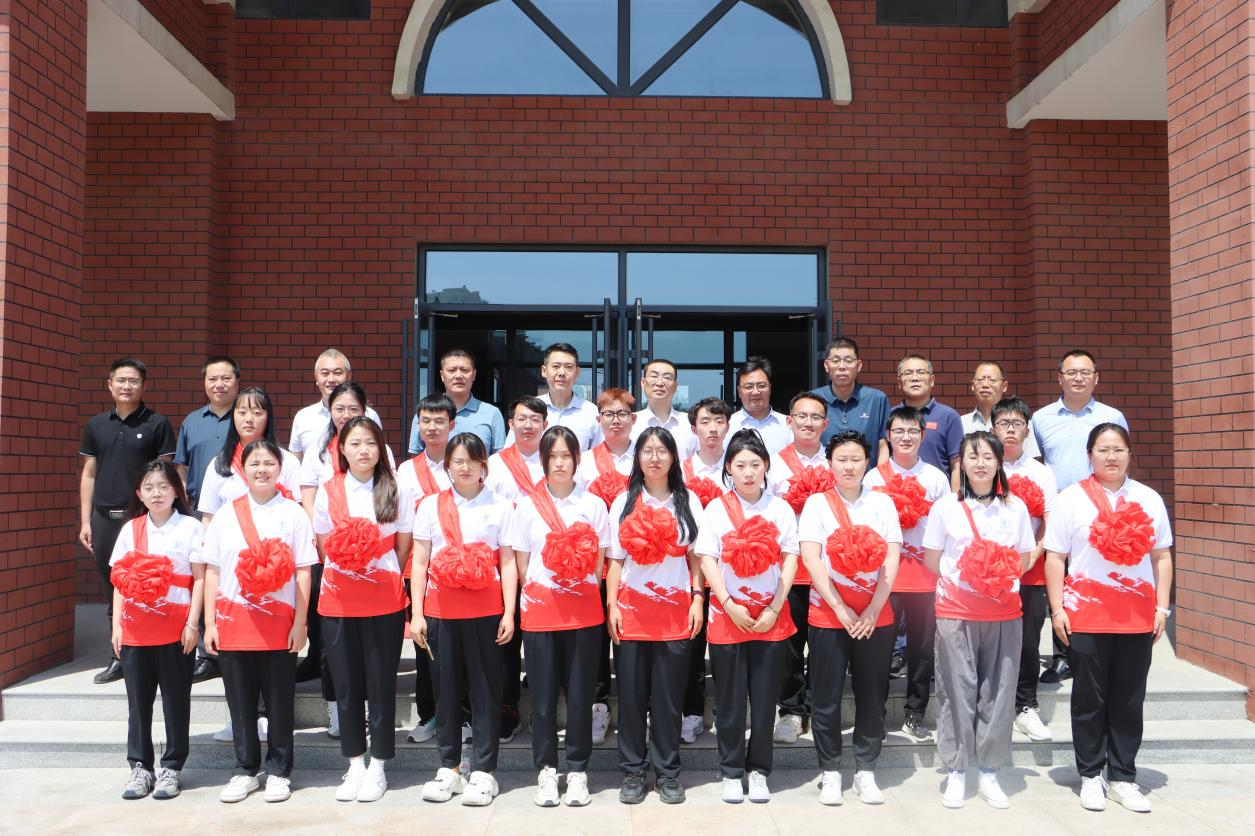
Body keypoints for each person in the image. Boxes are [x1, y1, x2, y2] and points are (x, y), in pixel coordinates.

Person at [1044, 423, 1173, 814]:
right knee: (1089, 698)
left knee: (1128, 699)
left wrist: (1162, 607)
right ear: (1089, 455)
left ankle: (1122, 777)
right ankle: (1090, 775)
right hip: (1086, 615)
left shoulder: (1148, 498)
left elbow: (1161, 556)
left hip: (1136, 616)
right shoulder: (1070, 499)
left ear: (1130, 454)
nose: (1111, 457)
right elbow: (1055, 557)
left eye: (1118, 449)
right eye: (1103, 449)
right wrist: (1057, 609)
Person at [200, 439, 318, 804]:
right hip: (234, 619)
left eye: (269, 463)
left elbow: (303, 571)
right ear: (243, 470)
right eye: (255, 463)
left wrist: (300, 623)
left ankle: (279, 771)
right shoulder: (225, 515)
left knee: (280, 701)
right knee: (240, 702)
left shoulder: (294, 513)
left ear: (280, 469)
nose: (262, 469)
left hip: (280, 622)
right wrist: (210, 623)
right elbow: (213, 571)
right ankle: (245, 769)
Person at [922, 432, 1034, 810]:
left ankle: (988, 771)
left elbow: (1023, 558)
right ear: (962, 464)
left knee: (999, 692)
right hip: (956, 611)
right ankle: (956, 770)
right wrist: (967, 580)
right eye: (972, 457)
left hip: (1004, 612)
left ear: (1000, 462)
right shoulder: (945, 507)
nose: (980, 463)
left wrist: (995, 581)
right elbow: (933, 560)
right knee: (957, 690)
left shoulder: (1014, 508)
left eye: (988, 456)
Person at [506, 426, 610, 807]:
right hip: (540, 615)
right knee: (543, 698)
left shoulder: (594, 505)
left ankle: (578, 771)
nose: (560, 463)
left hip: (583, 614)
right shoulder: (527, 506)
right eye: (553, 457)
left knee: (581, 697)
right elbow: (522, 562)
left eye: (567, 456)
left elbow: (599, 562)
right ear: (544, 461)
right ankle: (547, 771)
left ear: (577, 460)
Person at [411, 434, 517, 807]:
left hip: (486, 612)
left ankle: (484, 771)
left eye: (472, 460)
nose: (465, 467)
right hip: (441, 612)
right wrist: (417, 613)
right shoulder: (430, 506)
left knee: (486, 692)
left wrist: (508, 611)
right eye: (458, 460)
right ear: (448, 466)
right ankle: (450, 768)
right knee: (445, 691)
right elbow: (420, 561)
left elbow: (507, 561)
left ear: (484, 466)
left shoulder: (501, 506)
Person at [693, 430, 798, 804]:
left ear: (766, 466)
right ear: (728, 469)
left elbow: (790, 558)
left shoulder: (780, 508)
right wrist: (727, 602)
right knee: (731, 700)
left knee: (765, 699)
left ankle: (760, 770)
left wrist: (774, 607)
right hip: (728, 616)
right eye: (740, 465)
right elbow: (707, 558)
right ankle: (731, 771)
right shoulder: (716, 509)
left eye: (755, 464)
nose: (749, 472)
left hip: (771, 616)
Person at [799, 430, 902, 806]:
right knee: (825, 696)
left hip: (875, 616)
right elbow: (811, 558)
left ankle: (866, 771)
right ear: (829, 463)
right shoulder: (816, 504)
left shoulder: (882, 503)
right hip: (829, 615)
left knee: (872, 695)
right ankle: (830, 771)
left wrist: (873, 608)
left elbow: (892, 556)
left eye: (856, 459)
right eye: (841, 459)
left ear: (867, 463)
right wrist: (841, 609)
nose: (848, 466)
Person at [311, 418, 411, 803]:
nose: (363, 450)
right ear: (342, 449)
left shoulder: (395, 488)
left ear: (381, 447)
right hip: (338, 599)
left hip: (383, 598)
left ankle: (379, 765)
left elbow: (403, 545)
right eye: (355, 443)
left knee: (380, 682)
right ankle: (354, 764)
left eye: (371, 442)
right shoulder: (328, 491)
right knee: (347, 683)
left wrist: (376, 568)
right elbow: (325, 546)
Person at [607, 427, 704, 805]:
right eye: (646, 450)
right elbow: (615, 561)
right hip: (631, 613)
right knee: (631, 697)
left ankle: (667, 772)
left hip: (675, 613)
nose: (654, 457)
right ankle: (633, 770)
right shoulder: (624, 501)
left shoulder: (687, 500)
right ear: (637, 458)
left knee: (668, 698)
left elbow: (696, 557)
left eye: (662, 450)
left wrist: (697, 598)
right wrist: (612, 605)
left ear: (673, 457)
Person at [1031, 349, 1128, 685]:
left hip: (1099, 513)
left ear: (1095, 378)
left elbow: (1121, 463)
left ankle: (1101, 645)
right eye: (1071, 372)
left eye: (1085, 372)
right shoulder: (1041, 418)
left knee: (1094, 577)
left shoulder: (1112, 417)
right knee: (1059, 579)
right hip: (1058, 512)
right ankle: (1063, 656)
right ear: (1060, 378)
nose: (1078, 378)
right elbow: (1035, 466)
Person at [109, 460, 203, 800]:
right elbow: (120, 580)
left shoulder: (191, 528)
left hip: (176, 630)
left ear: (176, 491)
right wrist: (117, 626)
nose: (157, 493)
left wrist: (193, 623)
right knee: (138, 704)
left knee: (176, 702)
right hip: (136, 630)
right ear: (139, 494)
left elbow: (200, 579)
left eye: (164, 486)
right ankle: (140, 767)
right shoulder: (131, 529)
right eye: (149, 487)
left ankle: (172, 767)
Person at [80, 358, 176, 684]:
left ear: (144, 386)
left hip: (140, 519)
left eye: (133, 381)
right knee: (115, 588)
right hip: (104, 520)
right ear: (109, 384)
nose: (126, 386)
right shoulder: (96, 425)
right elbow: (89, 474)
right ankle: (118, 656)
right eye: (120, 380)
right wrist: (86, 521)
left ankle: (152, 652)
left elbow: (165, 474)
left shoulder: (157, 424)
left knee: (150, 584)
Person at [297, 382, 393, 705]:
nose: (346, 414)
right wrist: (327, 544)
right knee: (331, 637)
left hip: (374, 555)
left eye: (353, 408)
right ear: (329, 410)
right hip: (330, 548)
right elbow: (309, 496)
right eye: (340, 408)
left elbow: (388, 502)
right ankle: (336, 709)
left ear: (365, 411)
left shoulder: (379, 447)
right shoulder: (317, 449)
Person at [862, 406, 951, 743]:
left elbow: (944, 529)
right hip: (885, 579)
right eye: (898, 431)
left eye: (913, 431)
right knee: (880, 651)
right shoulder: (874, 478)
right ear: (888, 435)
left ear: (922, 435)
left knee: (922, 650)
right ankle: (876, 716)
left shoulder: (936, 478)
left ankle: (915, 714)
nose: (906, 437)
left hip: (925, 577)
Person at [992, 396, 1059, 743]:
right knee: (989, 639)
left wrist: (1032, 556)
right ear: (992, 428)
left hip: (1031, 568)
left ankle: (1025, 705)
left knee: (1028, 640)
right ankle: (990, 704)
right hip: (987, 570)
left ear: (1027, 430)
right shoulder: (983, 464)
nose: (1010, 430)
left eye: (1017, 423)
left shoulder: (1040, 472)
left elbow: (1049, 520)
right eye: (1003, 423)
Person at [768, 392, 832, 745]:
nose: (808, 423)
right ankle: (791, 711)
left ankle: (820, 707)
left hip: (828, 569)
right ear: (789, 421)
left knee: (825, 645)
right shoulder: (773, 465)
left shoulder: (836, 461)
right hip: (789, 569)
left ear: (825, 423)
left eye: (815, 417)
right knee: (790, 644)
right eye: (801, 416)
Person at [574, 387, 637, 744]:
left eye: (622, 414)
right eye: (609, 414)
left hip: (634, 562)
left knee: (630, 635)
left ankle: (635, 704)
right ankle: (598, 704)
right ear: (598, 420)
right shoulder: (584, 462)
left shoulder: (644, 457)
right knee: (596, 636)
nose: (616, 421)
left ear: (633, 419)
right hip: (595, 560)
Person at [485, 395, 547, 742]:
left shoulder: (555, 459)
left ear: (545, 425)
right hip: (506, 563)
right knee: (506, 639)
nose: (528, 425)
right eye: (521, 419)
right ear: (511, 424)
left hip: (547, 564)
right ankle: (506, 707)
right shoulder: (495, 464)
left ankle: (542, 708)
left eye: (535, 419)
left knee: (542, 641)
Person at [174, 356, 240, 684]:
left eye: (226, 378)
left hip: (237, 514)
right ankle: (207, 653)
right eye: (213, 379)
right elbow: (181, 466)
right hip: (200, 513)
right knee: (201, 578)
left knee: (232, 581)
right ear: (204, 383)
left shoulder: (245, 418)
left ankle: (234, 646)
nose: (219, 384)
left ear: (237, 382)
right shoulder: (191, 422)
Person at [395, 393, 456, 745]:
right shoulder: (407, 470)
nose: (432, 428)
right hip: (419, 569)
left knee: (461, 648)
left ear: (452, 425)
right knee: (425, 645)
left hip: (462, 571)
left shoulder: (465, 461)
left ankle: (462, 716)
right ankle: (428, 714)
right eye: (426, 421)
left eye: (439, 421)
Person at [676, 396, 732, 744]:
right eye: (705, 422)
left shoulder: (738, 465)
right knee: (691, 644)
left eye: (719, 421)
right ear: (693, 428)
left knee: (727, 646)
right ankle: (692, 712)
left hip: (731, 571)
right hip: (689, 571)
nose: (712, 429)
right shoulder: (680, 470)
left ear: (728, 426)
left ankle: (728, 713)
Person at [198, 388, 302, 525]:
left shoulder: (288, 461)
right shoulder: (219, 464)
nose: (249, 419)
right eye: (242, 412)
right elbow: (209, 518)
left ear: (268, 417)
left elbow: (298, 513)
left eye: (257, 413)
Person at [408, 348, 506, 455]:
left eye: (465, 370)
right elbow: (416, 457)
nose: (458, 376)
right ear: (442, 375)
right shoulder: (425, 413)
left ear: (474, 375)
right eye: (452, 370)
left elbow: (500, 459)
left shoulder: (492, 414)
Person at [288, 349, 382, 461]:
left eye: (337, 373)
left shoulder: (369, 415)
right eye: (325, 373)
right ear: (316, 378)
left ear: (349, 376)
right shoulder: (303, 417)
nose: (331, 379)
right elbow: (295, 462)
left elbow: (379, 456)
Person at [505, 342, 601, 451]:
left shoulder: (590, 412)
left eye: (568, 367)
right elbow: (509, 454)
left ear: (577, 372)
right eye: (556, 366)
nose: (562, 373)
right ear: (544, 371)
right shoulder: (527, 409)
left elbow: (599, 456)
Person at [885, 355, 963, 484]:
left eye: (921, 372)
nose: (915, 378)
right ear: (899, 382)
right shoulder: (889, 415)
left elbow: (956, 464)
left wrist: (954, 495)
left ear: (932, 380)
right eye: (908, 373)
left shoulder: (949, 416)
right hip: (896, 491)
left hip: (936, 491)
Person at [810, 337, 889, 454]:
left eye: (848, 360)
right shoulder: (813, 399)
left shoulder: (877, 400)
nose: (842, 366)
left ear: (859, 365)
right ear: (826, 365)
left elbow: (883, 446)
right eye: (835, 360)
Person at [961, 361, 1039, 459]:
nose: (985, 384)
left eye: (992, 380)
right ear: (973, 385)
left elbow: (1033, 459)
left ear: (1004, 386)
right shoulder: (960, 423)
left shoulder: (1020, 423)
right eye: (980, 380)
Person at [629, 359, 696, 458]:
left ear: (675, 386)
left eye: (667, 377)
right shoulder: (631, 423)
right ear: (643, 383)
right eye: (654, 376)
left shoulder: (690, 423)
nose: (659, 383)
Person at [727, 357, 791, 454]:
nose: (755, 392)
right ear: (739, 391)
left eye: (761, 386)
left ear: (770, 388)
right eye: (749, 387)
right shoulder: (729, 425)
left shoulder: (788, 425)